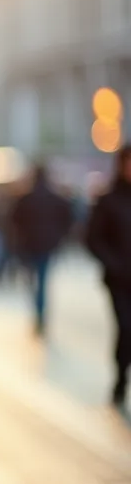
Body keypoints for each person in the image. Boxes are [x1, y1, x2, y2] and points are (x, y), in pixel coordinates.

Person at [82, 146, 131, 407]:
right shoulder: (109, 200)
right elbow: (93, 238)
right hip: (119, 280)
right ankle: (121, 377)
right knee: (126, 328)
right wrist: (113, 263)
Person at [10, 162, 75, 336]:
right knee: (42, 281)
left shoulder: (26, 198)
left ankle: (38, 311)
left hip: (29, 245)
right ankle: (40, 312)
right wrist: (59, 237)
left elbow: (14, 220)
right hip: (47, 245)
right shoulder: (55, 198)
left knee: (32, 281)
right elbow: (68, 218)